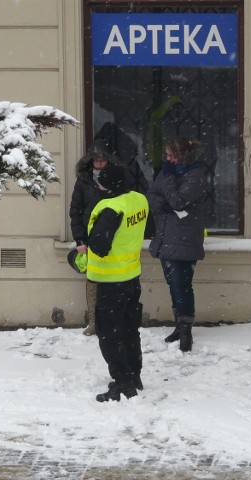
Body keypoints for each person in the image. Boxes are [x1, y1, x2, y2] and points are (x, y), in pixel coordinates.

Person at [87, 162, 148, 402]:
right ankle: (135, 375)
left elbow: (100, 246)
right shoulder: (138, 200)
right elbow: (149, 228)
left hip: (112, 282)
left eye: (100, 180)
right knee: (130, 329)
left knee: (110, 334)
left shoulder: (111, 207)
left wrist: (82, 254)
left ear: (108, 185)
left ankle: (123, 384)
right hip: (132, 277)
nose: (97, 184)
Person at [147, 138, 211, 352]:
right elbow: (152, 197)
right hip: (166, 236)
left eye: (173, 156)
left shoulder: (195, 175)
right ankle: (179, 325)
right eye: (167, 155)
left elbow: (178, 201)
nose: (169, 159)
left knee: (181, 285)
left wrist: (167, 180)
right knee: (172, 284)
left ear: (184, 155)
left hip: (184, 239)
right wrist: (165, 203)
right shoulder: (170, 173)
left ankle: (186, 332)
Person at [69, 143, 118, 335]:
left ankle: (111, 321)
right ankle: (94, 323)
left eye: (103, 159)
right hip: (90, 239)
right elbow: (75, 211)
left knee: (113, 283)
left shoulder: (116, 180)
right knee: (93, 283)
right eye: (96, 159)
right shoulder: (83, 181)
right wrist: (79, 239)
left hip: (113, 238)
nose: (99, 163)